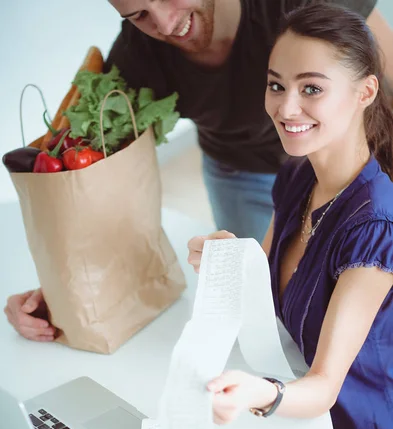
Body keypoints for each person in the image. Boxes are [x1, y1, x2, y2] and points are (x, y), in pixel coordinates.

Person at [4, 0, 393, 342]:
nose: (165, 24)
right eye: (139, 15)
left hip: (358, 167)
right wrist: (59, 292)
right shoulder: (139, 55)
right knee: (272, 315)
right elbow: (92, 185)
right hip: (243, 174)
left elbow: (379, 67)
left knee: (366, 315)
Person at [188, 4, 393, 429]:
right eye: (277, 85)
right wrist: (232, 260)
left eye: (311, 89)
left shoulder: (376, 225)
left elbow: (323, 386)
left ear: (364, 92)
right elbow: (273, 299)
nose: (286, 107)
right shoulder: (300, 174)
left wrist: (261, 396)